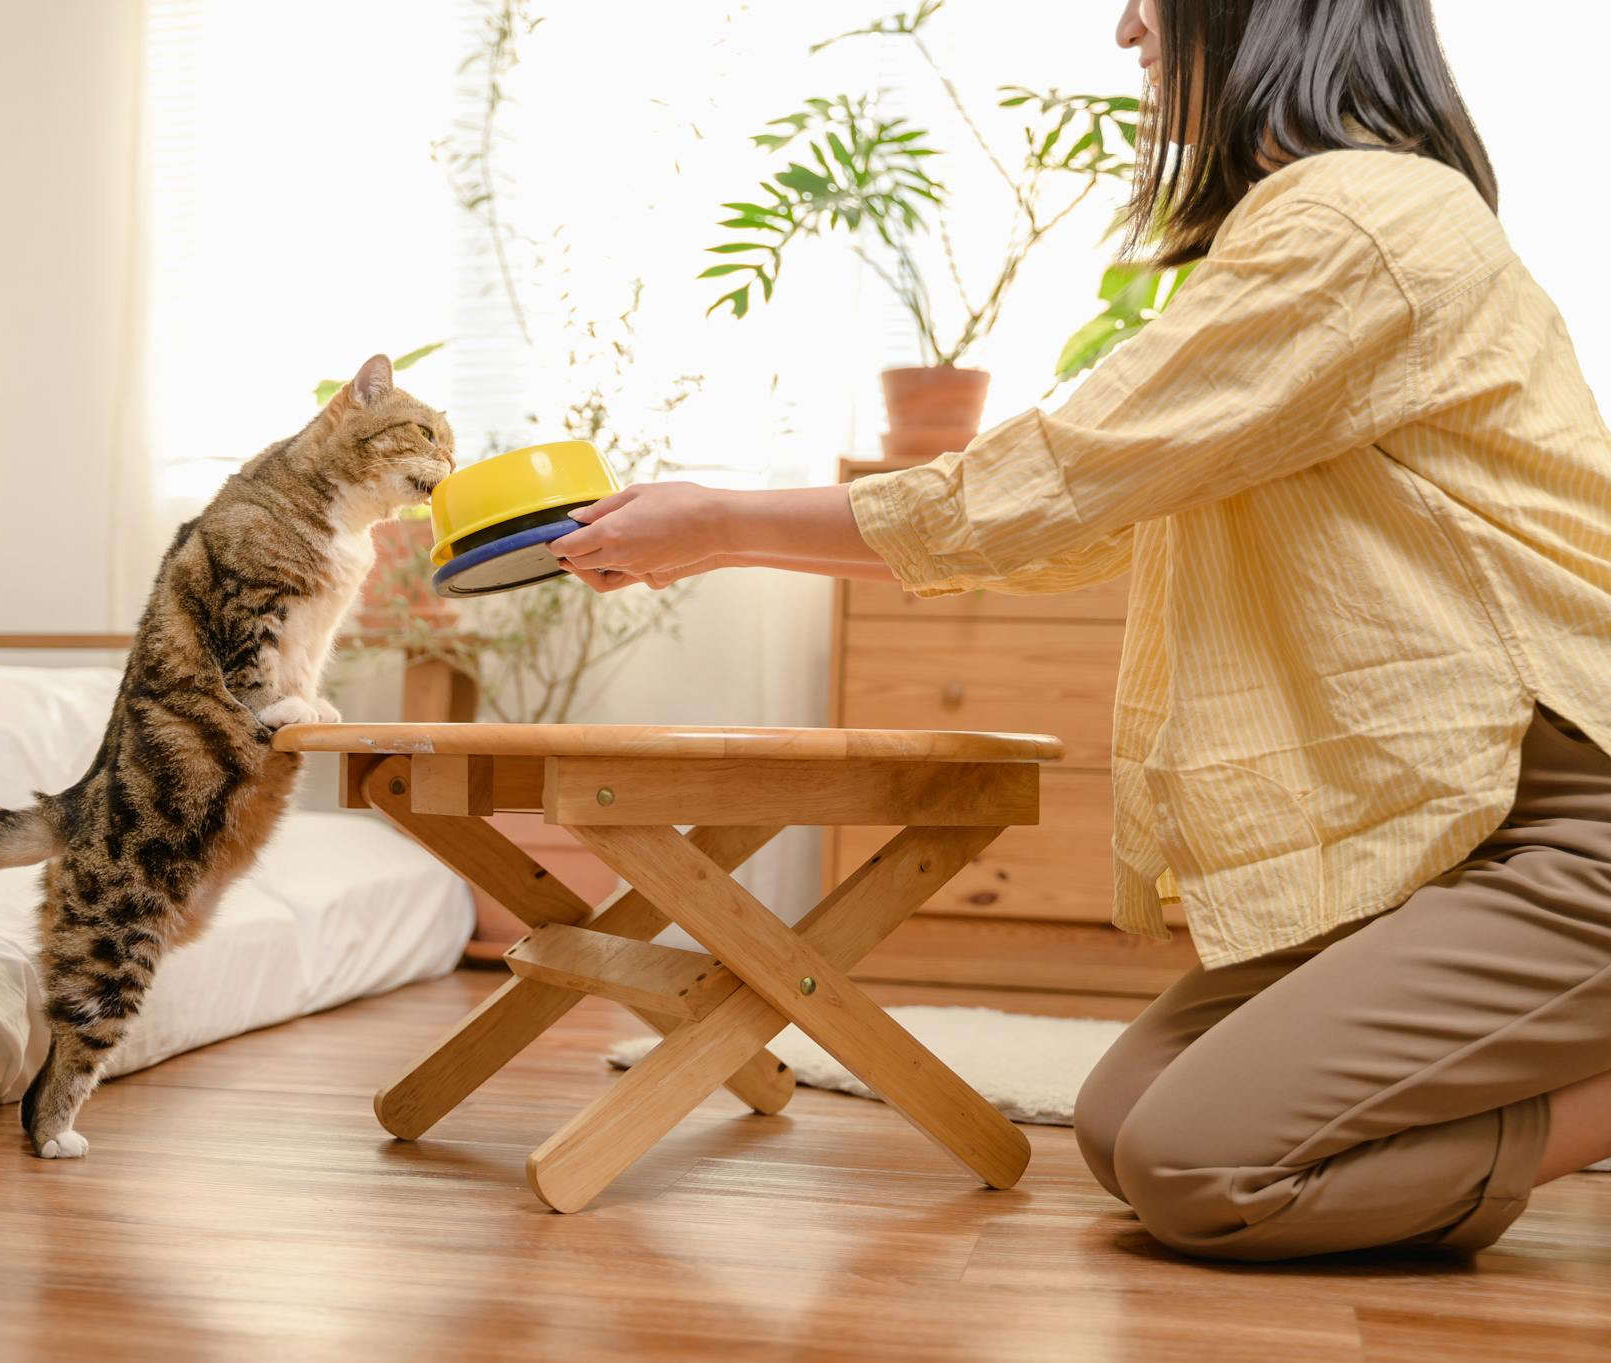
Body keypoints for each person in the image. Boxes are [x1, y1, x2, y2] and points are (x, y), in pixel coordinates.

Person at [550, 0, 1611, 1261]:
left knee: (1198, 1163)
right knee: (1116, 1126)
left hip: (1568, 816)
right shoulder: (1325, 218)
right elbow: (1092, 519)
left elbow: (1051, 481)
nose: (1126, 30)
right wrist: (720, 525)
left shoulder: (1356, 219)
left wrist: (720, 523)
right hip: (1465, 821)